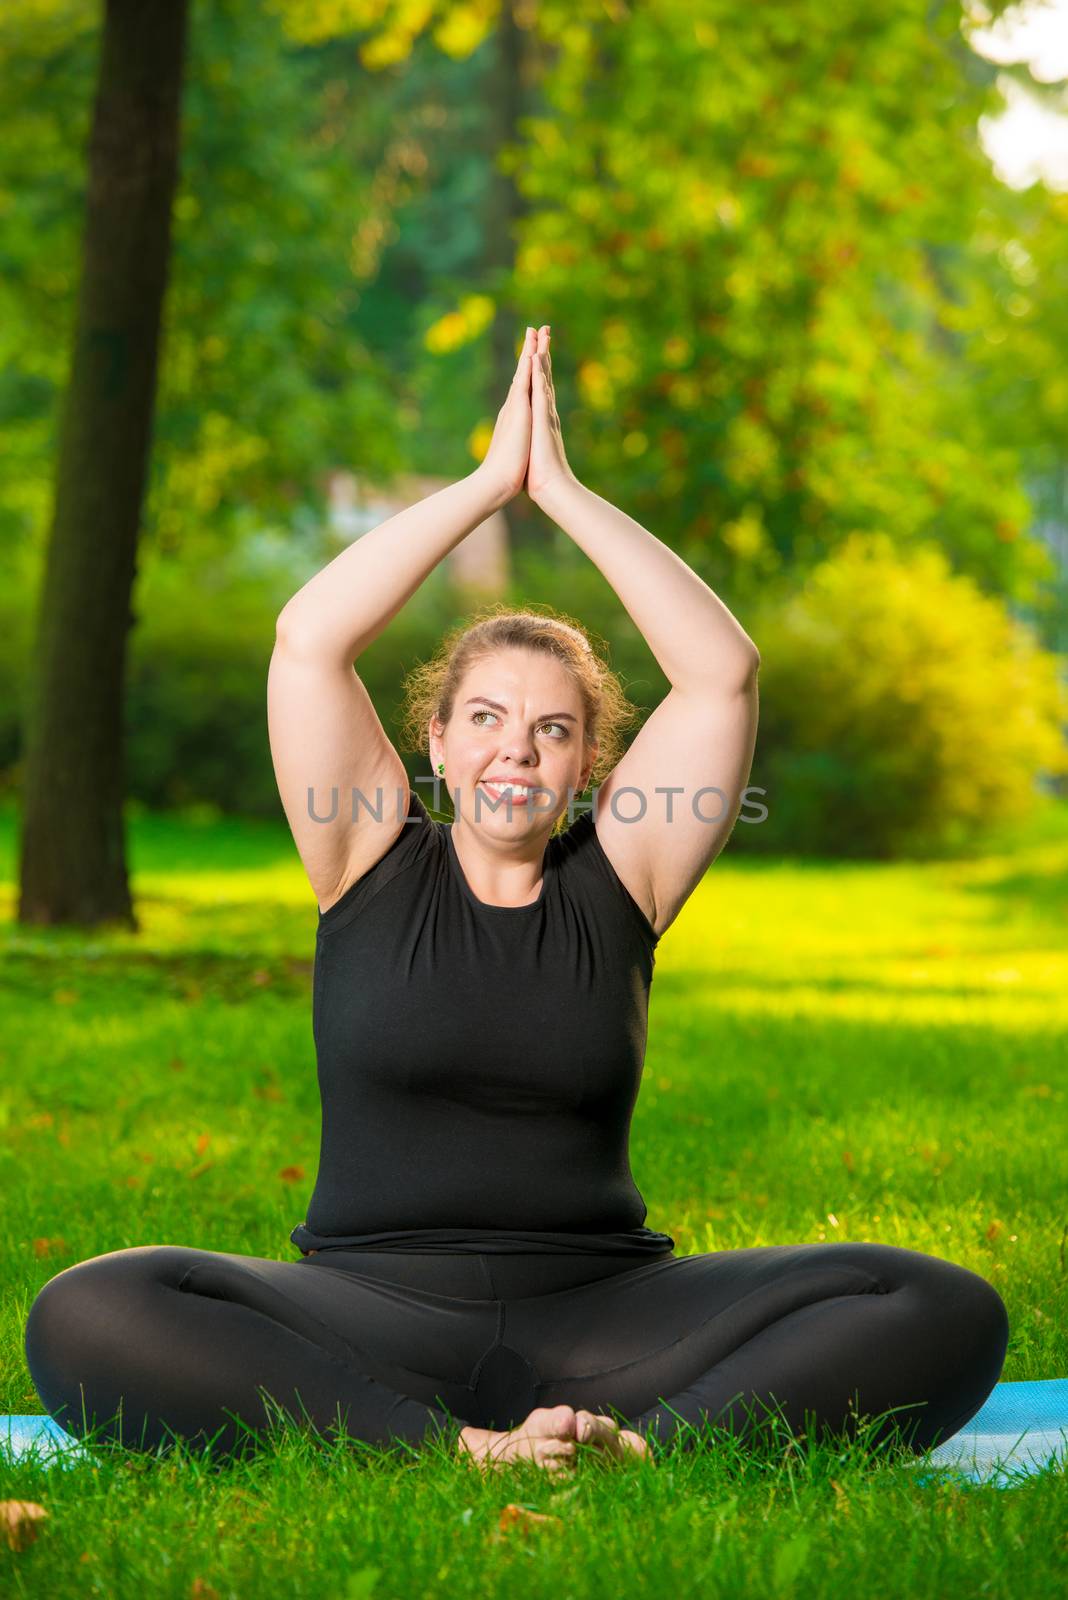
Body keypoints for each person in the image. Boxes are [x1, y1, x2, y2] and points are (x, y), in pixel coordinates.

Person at [24, 326, 1009, 1476]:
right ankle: (462, 1451)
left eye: (552, 729)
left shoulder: (625, 874)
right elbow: (309, 639)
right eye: (485, 718)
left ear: (590, 764)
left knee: (934, 1300)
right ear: (433, 740)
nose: (515, 752)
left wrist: (569, 495)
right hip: (370, 1313)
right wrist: (487, 488)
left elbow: (721, 672)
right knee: (91, 1310)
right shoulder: (363, 851)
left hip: (608, 1313)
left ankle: (640, 1450)